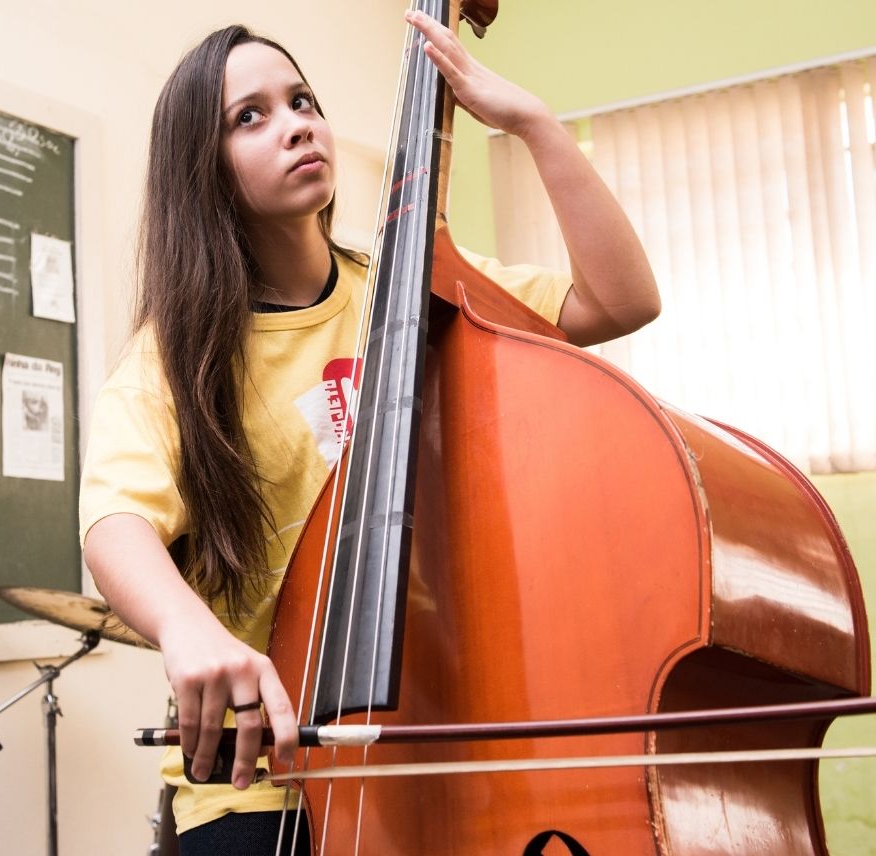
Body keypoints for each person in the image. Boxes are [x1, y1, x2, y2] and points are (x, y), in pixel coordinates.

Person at [80, 10, 660, 854]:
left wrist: (533, 124)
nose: (296, 125)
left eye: (301, 99)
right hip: (263, 779)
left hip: (435, 740)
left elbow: (617, 302)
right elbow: (115, 524)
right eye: (252, 116)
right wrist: (187, 629)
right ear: (200, 170)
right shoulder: (172, 358)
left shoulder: (417, 289)